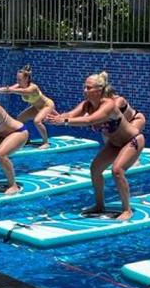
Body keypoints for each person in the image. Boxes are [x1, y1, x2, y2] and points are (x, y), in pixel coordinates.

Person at [46, 71, 144, 221]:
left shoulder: (109, 105)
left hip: (132, 141)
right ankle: (99, 205)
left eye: (89, 88)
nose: (85, 90)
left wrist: (64, 121)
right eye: (84, 87)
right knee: (95, 168)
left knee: (117, 170)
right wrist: (57, 117)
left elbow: (89, 121)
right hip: (114, 144)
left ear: (99, 90)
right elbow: (71, 114)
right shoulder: (86, 105)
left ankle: (127, 210)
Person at [0, 65, 55, 148]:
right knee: (20, 119)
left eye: (19, 79)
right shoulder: (18, 85)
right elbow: (8, 90)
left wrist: (11, 90)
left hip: (47, 105)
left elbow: (24, 91)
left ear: (26, 79)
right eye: (17, 79)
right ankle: (25, 139)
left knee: (37, 121)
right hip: (36, 107)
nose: (17, 81)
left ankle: (45, 142)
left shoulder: (33, 87)